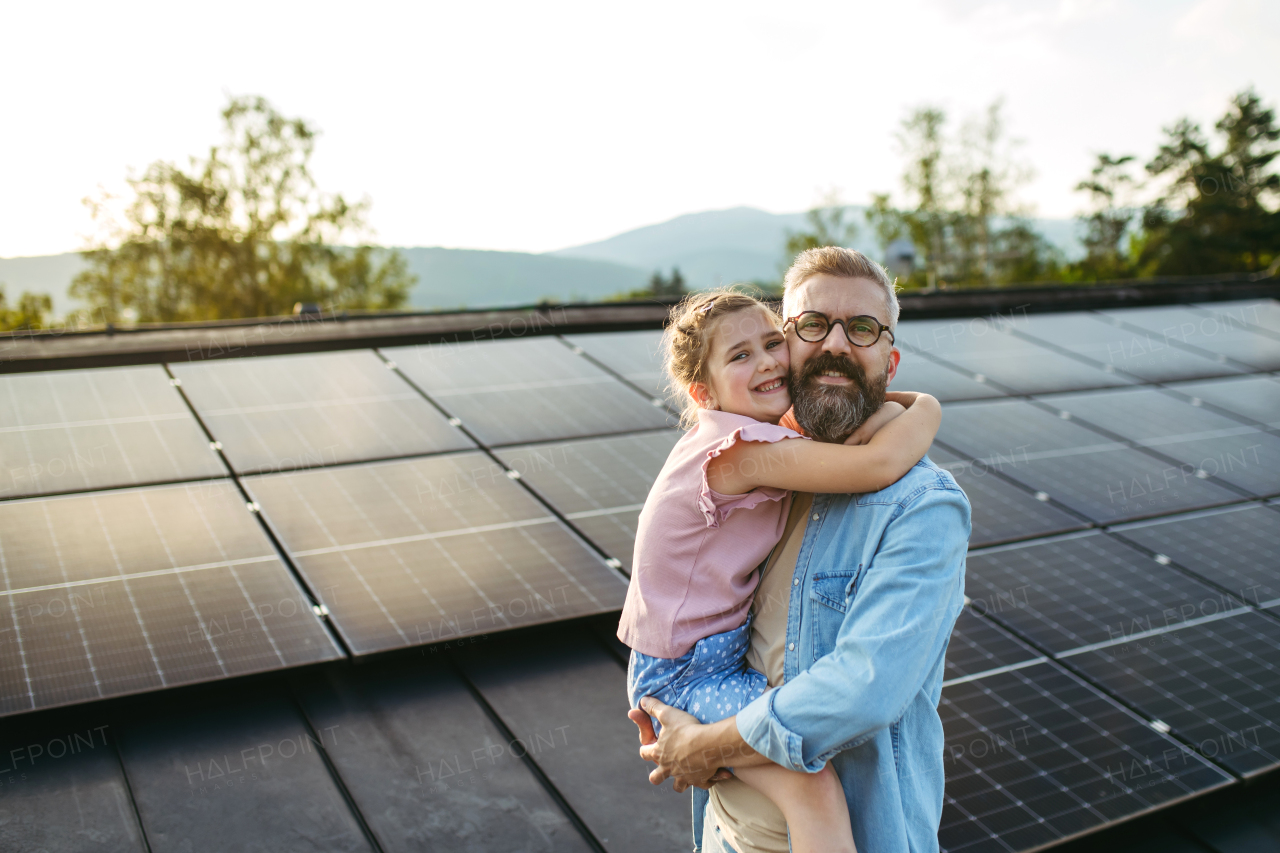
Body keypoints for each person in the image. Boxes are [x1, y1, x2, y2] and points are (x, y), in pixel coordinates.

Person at [631, 247, 971, 853]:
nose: (835, 344)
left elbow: (865, 688)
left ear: (889, 362)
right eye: (812, 324)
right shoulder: (762, 460)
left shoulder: (922, 507)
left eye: (861, 328)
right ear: (788, 344)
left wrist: (702, 746)